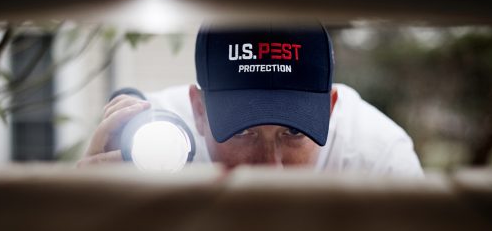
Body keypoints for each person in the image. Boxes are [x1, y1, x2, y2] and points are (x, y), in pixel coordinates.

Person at [78, 20, 423, 177]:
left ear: (331, 110)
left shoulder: (378, 159)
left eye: (294, 133)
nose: (270, 168)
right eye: (243, 133)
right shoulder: (152, 146)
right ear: (199, 111)